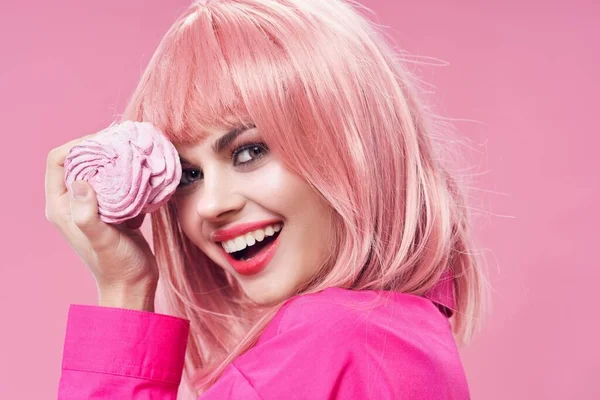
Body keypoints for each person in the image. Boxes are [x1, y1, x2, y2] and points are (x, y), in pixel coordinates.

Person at [46, 0, 488, 398]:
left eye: (249, 151)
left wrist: (124, 292)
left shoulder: (333, 338)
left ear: (356, 146)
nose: (210, 205)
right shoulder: (407, 335)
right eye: (189, 175)